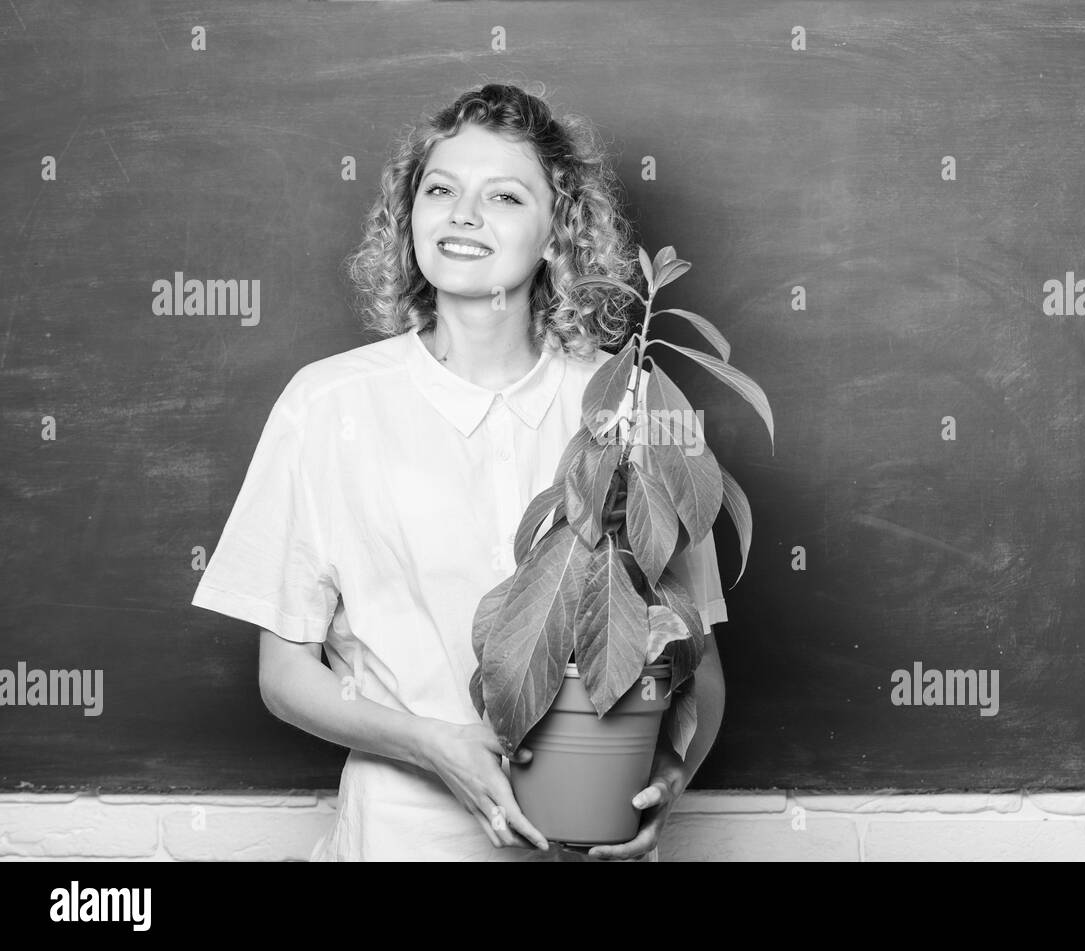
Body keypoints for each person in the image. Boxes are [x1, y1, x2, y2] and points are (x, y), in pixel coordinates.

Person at [191, 83, 728, 861]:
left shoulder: (630, 401)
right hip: (400, 840)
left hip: (580, 844)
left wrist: (671, 779)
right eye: (440, 189)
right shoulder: (328, 402)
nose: (463, 214)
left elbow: (697, 660)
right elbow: (284, 673)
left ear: (557, 234)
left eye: (504, 196)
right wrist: (430, 743)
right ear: (409, 216)